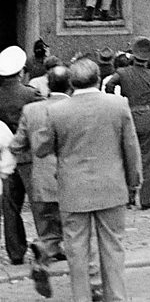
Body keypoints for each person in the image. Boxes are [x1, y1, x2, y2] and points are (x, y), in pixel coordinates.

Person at [36, 57, 142, 302]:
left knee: (77, 253)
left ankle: (82, 298)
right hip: (111, 186)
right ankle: (116, 298)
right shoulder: (118, 105)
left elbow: (41, 149)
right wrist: (133, 180)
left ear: (72, 82)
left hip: (73, 189)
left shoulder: (55, 110)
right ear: (97, 78)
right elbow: (130, 146)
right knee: (113, 249)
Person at [10, 66, 103, 301]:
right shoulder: (76, 109)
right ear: (71, 84)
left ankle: (43, 252)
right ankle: (93, 284)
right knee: (78, 235)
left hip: (40, 183)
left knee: (49, 231)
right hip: (71, 181)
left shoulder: (31, 110)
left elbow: (17, 146)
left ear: (47, 85)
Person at [105, 37, 150, 209]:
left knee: (127, 157)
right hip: (147, 117)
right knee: (147, 160)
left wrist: (117, 101)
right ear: (149, 57)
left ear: (133, 55)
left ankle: (128, 195)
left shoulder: (122, 73)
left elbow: (109, 85)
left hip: (128, 116)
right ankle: (145, 199)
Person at [0, 46, 43, 265]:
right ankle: (47, 246)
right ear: (20, 71)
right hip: (29, 156)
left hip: (5, 158)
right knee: (39, 203)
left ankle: (15, 252)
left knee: (10, 206)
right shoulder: (29, 94)